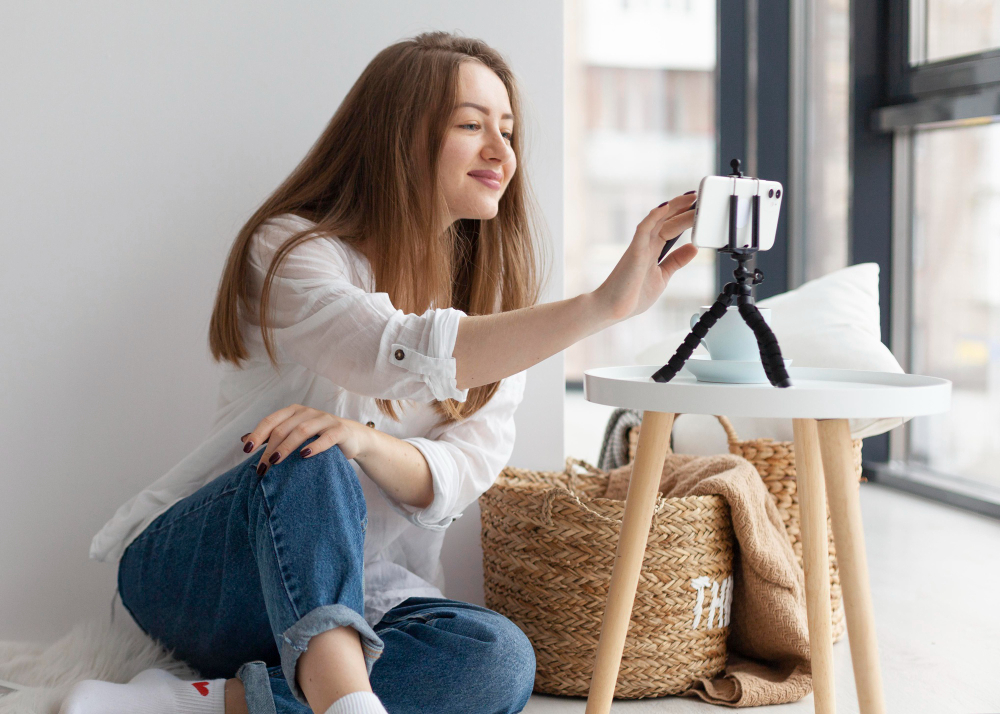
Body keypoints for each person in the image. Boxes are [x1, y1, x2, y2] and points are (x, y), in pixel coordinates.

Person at [61, 31, 697, 714]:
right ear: (401, 137)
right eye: (471, 125)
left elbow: (456, 478)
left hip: (359, 591)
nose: (501, 152)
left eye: (507, 131)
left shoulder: (493, 322)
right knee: (313, 453)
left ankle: (203, 703)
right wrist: (600, 308)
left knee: (497, 659)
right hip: (206, 577)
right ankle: (348, 706)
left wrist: (366, 441)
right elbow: (388, 351)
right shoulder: (291, 251)